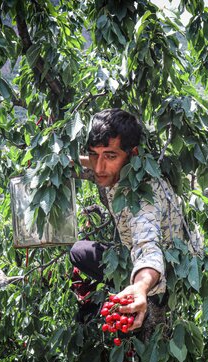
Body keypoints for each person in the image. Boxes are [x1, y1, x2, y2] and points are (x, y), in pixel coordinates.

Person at [70, 108, 192, 331]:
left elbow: (148, 247)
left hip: (159, 278)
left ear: (133, 153)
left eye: (110, 156)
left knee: (78, 250)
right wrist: (64, 162)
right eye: (94, 154)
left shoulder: (142, 199)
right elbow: (95, 164)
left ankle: (125, 298)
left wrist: (141, 287)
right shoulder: (128, 169)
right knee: (80, 252)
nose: (98, 168)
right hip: (144, 259)